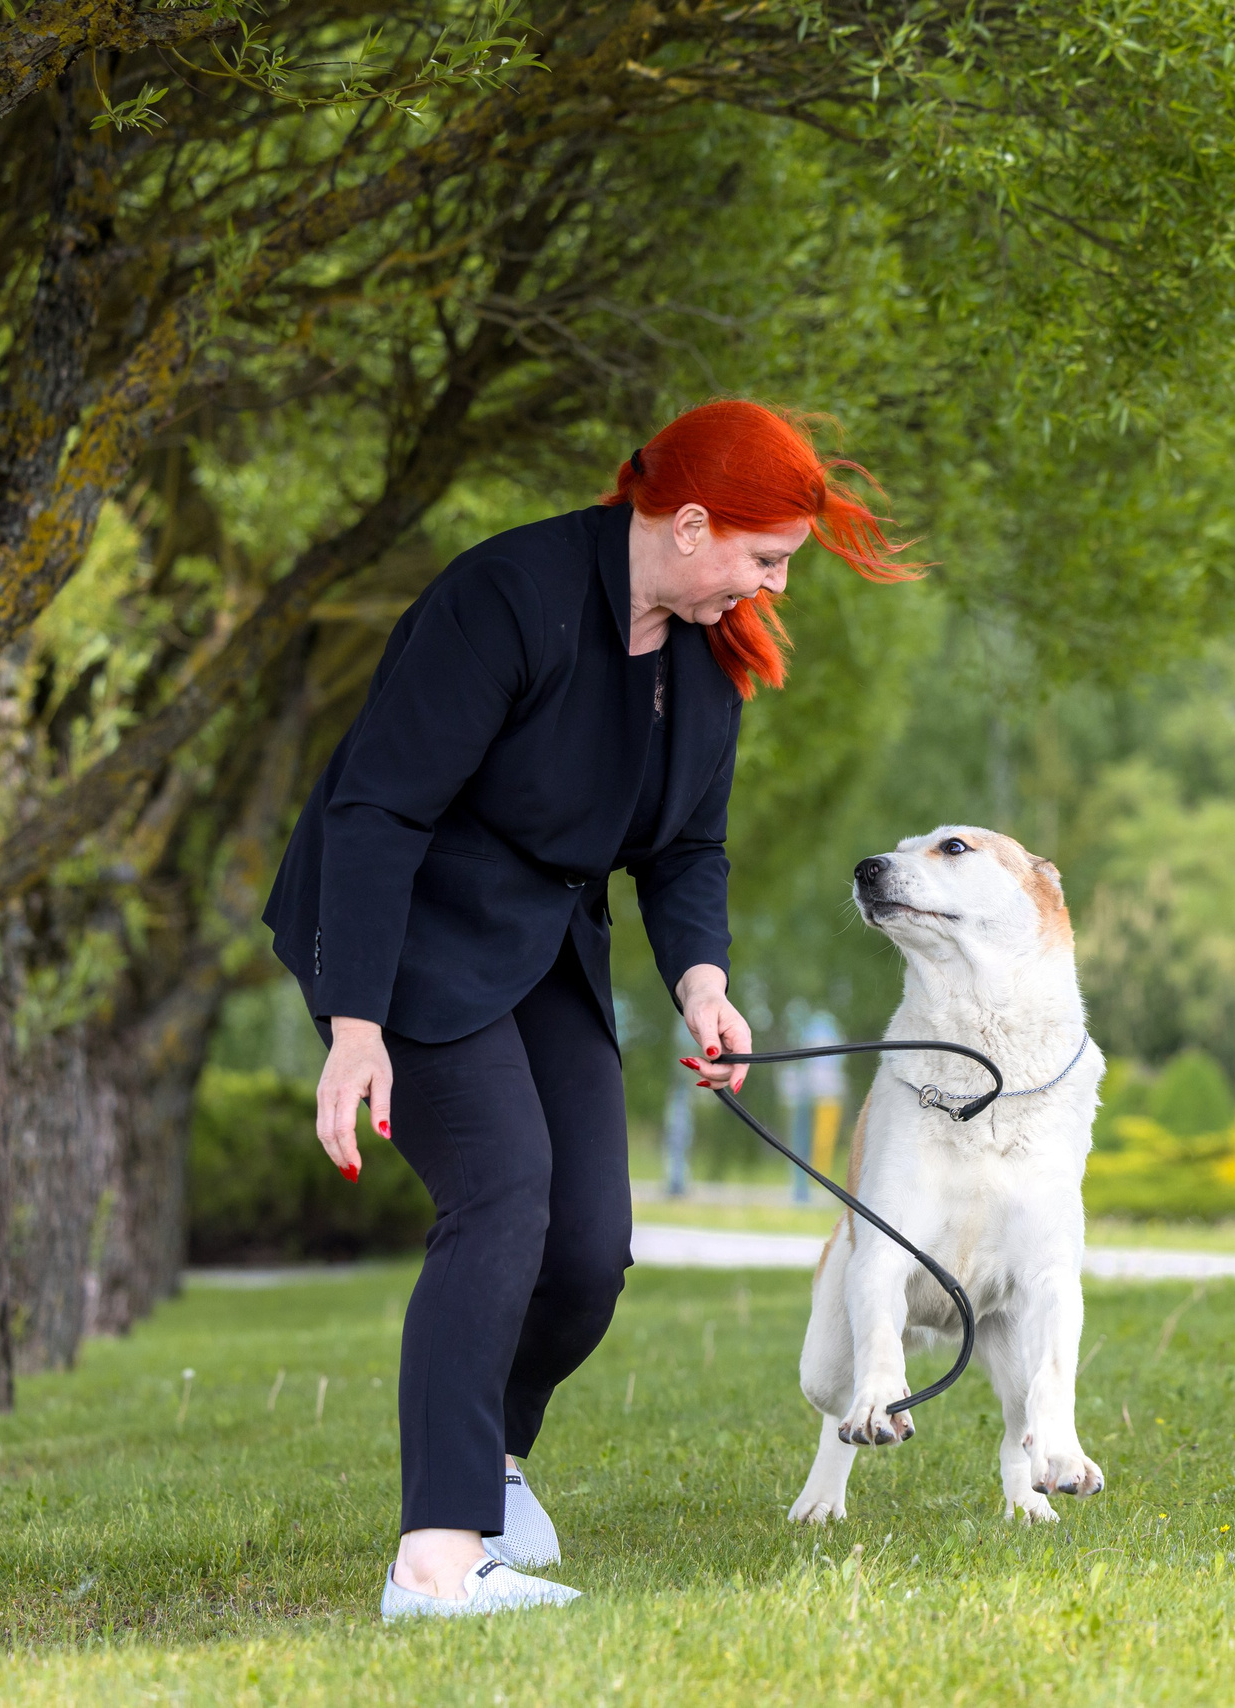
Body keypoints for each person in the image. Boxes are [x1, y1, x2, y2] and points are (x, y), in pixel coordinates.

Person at [262, 400, 915, 1618]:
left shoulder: (708, 656)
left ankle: (491, 1469)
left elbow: (687, 848)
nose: (774, 584)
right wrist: (355, 1026)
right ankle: (435, 1562)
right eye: (765, 557)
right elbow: (376, 812)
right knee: (502, 1192)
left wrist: (702, 981)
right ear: (686, 521)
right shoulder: (505, 597)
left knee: (585, 1253)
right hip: (399, 924)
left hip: (539, 937)